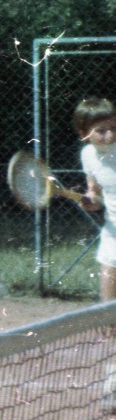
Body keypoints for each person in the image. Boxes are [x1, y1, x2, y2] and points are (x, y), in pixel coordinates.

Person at [74, 95, 116, 303]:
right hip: (113, 229)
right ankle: (109, 327)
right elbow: (95, 192)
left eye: (114, 128)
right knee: (109, 275)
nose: (110, 135)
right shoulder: (87, 155)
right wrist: (90, 200)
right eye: (101, 131)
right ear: (84, 134)